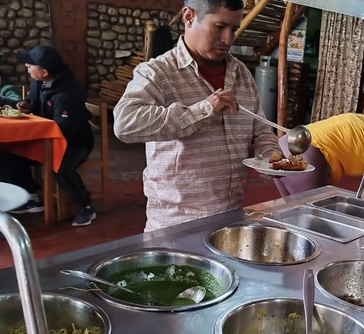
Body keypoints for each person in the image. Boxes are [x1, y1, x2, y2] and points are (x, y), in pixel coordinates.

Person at [113, 0, 282, 232]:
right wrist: (204, 110)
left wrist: (271, 155)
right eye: (219, 26)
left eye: (233, 29)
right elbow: (125, 123)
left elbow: (260, 129)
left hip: (230, 223)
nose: (228, 39)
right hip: (175, 227)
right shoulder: (158, 73)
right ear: (189, 17)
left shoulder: (241, 74)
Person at [16, 46, 97, 227]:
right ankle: (35, 196)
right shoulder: (40, 82)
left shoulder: (67, 93)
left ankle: (86, 206)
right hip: (48, 137)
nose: (27, 66)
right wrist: (27, 105)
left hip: (75, 142)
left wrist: (40, 138)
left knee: (60, 168)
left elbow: (65, 128)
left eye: (30, 64)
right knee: (16, 152)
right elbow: (33, 101)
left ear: (44, 72)